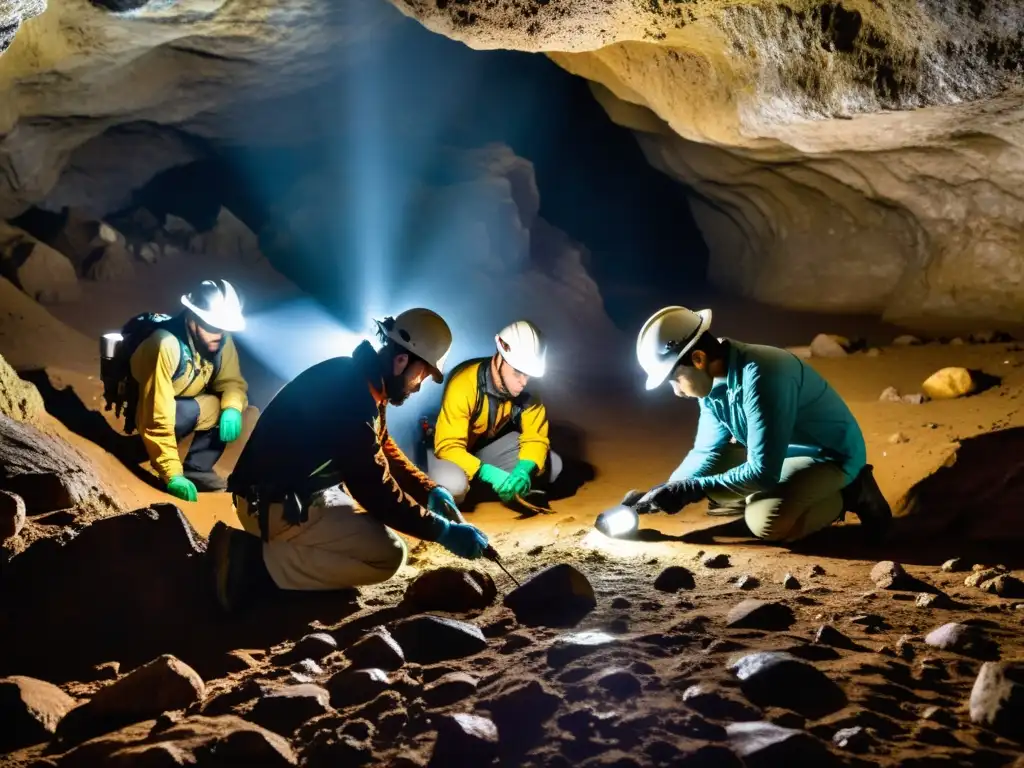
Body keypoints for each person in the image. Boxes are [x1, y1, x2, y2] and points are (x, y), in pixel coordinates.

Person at [208, 308, 490, 612]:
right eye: (421, 374)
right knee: (388, 555)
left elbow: (380, 445)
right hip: (271, 505)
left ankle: (281, 557)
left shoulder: (358, 380)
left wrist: (429, 491)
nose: (419, 384)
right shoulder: (352, 399)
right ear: (401, 361)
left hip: (291, 493)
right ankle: (251, 562)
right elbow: (375, 491)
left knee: (365, 530)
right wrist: (442, 531)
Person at [630, 305, 891, 542]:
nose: (676, 391)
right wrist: (666, 490)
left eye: (674, 380)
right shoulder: (711, 380)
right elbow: (706, 451)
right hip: (780, 449)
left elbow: (763, 473)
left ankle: (853, 491)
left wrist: (694, 489)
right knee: (714, 479)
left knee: (767, 522)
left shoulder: (762, 376)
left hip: (828, 456)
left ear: (698, 359)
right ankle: (762, 495)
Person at [130, 279, 248, 501]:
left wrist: (232, 407)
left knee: (227, 405)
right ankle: (144, 452)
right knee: (172, 416)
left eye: (222, 327)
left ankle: (197, 469)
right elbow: (157, 415)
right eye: (212, 326)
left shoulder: (220, 340)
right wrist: (172, 474)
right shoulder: (164, 345)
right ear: (193, 318)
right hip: (149, 407)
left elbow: (232, 383)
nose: (219, 334)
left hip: (182, 404)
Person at [427, 320, 563, 514]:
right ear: (499, 357)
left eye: (529, 375)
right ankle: (464, 485)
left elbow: (535, 437)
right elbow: (448, 446)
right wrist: (487, 473)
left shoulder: (529, 391)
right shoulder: (464, 384)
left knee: (552, 465)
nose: (523, 382)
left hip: (483, 448)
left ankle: (494, 485)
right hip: (447, 449)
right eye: (517, 372)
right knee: (454, 485)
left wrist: (524, 469)